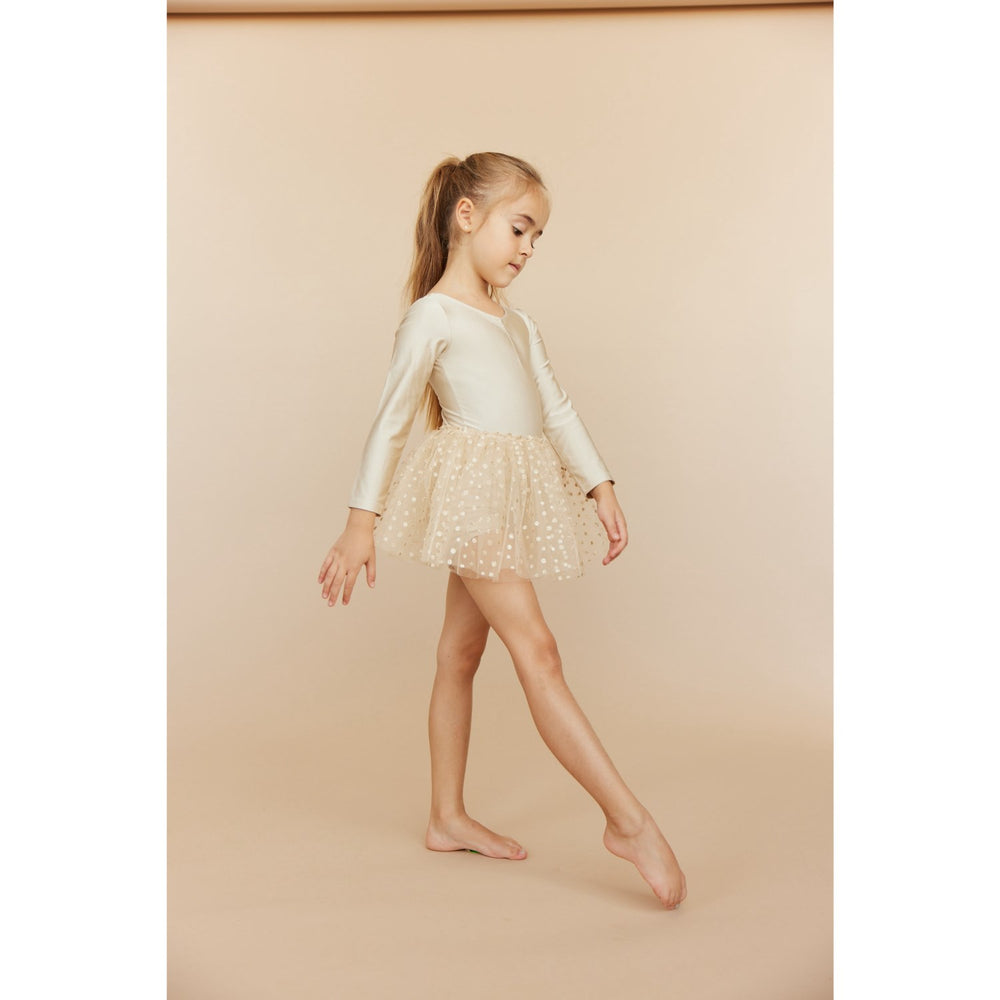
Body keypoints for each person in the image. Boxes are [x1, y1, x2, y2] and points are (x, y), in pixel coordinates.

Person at [317, 152, 687, 910]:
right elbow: (392, 419)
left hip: (508, 495)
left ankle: (445, 817)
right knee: (538, 651)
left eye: (537, 237)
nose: (527, 248)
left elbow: (555, 407)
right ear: (466, 217)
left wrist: (600, 483)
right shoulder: (434, 316)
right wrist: (361, 521)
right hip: (472, 495)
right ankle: (628, 822)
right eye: (519, 228)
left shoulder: (517, 323)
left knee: (459, 654)